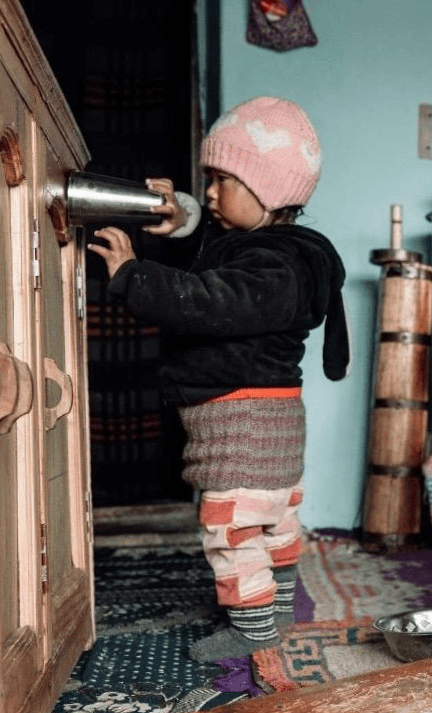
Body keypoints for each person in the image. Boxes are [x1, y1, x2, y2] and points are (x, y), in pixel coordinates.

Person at [88, 96, 349, 663]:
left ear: (269, 189)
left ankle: (254, 627)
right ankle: (277, 606)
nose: (209, 193)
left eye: (221, 180)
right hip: (274, 422)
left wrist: (136, 276)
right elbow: (217, 243)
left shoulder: (271, 268)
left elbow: (212, 297)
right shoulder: (280, 251)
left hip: (241, 422)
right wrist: (179, 214)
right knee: (274, 517)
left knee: (229, 526)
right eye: (208, 179)